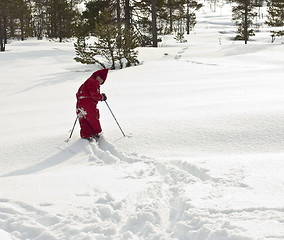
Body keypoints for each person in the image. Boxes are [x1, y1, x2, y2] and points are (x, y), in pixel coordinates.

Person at [76, 68, 108, 141]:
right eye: (100, 78)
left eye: (101, 81)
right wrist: (102, 97)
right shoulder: (93, 82)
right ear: (96, 76)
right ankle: (96, 133)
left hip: (80, 104)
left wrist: (81, 101)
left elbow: (78, 94)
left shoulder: (86, 83)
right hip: (88, 104)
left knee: (83, 118)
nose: (99, 81)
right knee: (93, 117)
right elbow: (95, 95)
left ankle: (86, 135)